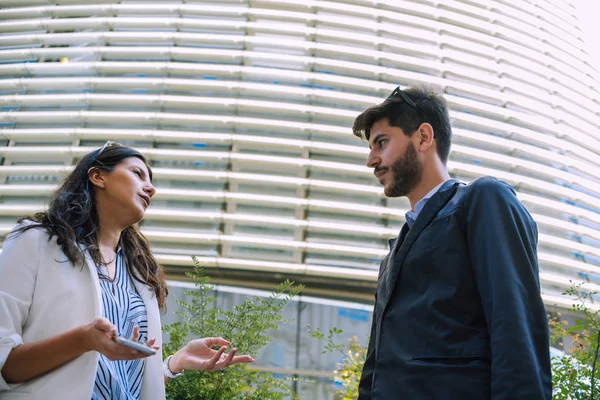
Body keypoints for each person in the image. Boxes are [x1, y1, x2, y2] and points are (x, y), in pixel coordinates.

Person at [0, 141, 255, 400]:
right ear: (98, 176)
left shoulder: (139, 273)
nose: (151, 188)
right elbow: (5, 366)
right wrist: (84, 340)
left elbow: (121, 382)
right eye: (137, 173)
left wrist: (171, 365)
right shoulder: (34, 242)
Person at [353, 86, 552, 399]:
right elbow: (376, 368)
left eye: (381, 143)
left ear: (423, 137)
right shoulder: (391, 257)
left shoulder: (482, 201)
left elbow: (516, 329)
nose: (371, 160)